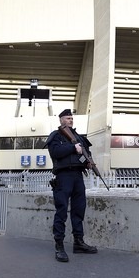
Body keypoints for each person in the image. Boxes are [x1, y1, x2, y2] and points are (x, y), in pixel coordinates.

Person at [45, 109, 98, 262]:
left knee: (79, 210)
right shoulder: (56, 136)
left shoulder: (79, 137)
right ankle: (59, 246)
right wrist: (72, 148)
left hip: (77, 176)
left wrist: (88, 163)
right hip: (63, 177)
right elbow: (55, 152)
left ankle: (79, 243)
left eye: (71, 118)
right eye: (68, 118)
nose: (70, 120)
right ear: (61, 120)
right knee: (61, 211)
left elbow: (83, 154)